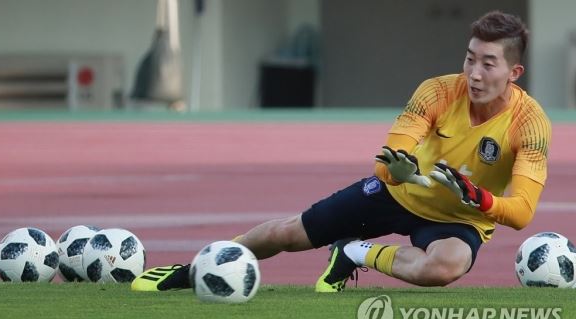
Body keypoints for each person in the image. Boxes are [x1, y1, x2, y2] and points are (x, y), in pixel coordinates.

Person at [131, 10, 551, 292]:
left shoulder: (530, 123)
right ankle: (191, 271)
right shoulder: (438, 90)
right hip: (398, 193)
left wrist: (477, 197)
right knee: (287, 234)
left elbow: (521, 212)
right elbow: (389, 155)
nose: (474, 73)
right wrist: (397, 171)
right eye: (469, 58)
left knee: (445, 267)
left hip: (459, 219)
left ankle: (354, 251)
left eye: (488, 64)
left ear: (513, 72)